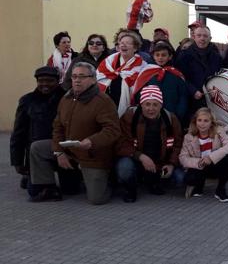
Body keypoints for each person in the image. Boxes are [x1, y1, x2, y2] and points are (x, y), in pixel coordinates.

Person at [28, 63, 121, 204]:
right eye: (74, 76)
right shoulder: (66, 99)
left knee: (97, 199)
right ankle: (47, 188)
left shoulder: (103, 101)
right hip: (70, 150)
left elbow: (113, 130)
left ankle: (110, 181)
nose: (77, 80)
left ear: (93, 79)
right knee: (37, 148)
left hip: (93, 155)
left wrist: (92, 141)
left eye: (82, 76)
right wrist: (58, 152)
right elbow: (57, 127)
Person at [116, 85, 184, 202]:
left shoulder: (170, 119)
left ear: (161, 105)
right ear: (141, 104)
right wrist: (140, 156)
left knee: (180, 179)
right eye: (147, 104)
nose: (151, 109)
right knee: (124, 168)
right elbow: (121, 143)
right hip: (136, 159)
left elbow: (178, 145)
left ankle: (153, 180)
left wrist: (172, 164)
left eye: (155, 104)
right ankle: (130, 189)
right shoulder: (130, 116)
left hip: (161, 162)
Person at [10, 67, 66, 190]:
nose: (45, 84)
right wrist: (17, 161)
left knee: (71, 189)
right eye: (41, 81)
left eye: (50, 81)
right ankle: (31, 176)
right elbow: (18, 132)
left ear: (57, 81)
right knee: (37, 191)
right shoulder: (27, 101)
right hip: (35, 153)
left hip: (63, 151)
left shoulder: (67, 99)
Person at [180, 108, 228, 202]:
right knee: (186, 179)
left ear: (211, 123)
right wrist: (199, 162)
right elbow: (183, 157)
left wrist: (211, 157)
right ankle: (199, 186)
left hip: (214, 165)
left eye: (206, 121)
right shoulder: (188, 137)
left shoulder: (218, 132)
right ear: (195, 121)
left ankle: (220, 190)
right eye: (199, 120)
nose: (202, 124)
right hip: (199, 167)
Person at [175, 25, 222, 122]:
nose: (202, 38)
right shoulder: (184, 56)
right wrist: (193, 90)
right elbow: (180, 77)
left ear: (210, 38)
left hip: (212, 102)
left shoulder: (217, 57)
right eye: (199, 35)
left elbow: (221, 76)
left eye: (205, 36)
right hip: (191, 101)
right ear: (194, 37)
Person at [134, 41, 188, 125]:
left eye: (164, 55)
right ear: (153, 56)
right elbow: (139, 94)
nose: (160, 57)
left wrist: (178, 114)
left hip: (172, 114)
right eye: (157, 55)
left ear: (170, 57)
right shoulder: (146, 72)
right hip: (151, 115)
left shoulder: (176, 74)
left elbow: (183, 96)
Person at [97, 30, 147, 116]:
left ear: (135, 48)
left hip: (130, 108)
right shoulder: (109, 61)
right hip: (107, 103)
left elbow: (141, 89)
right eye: (121, 42)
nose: (123, 45)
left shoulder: (142, 66)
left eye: (128, 43)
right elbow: (99, 77)